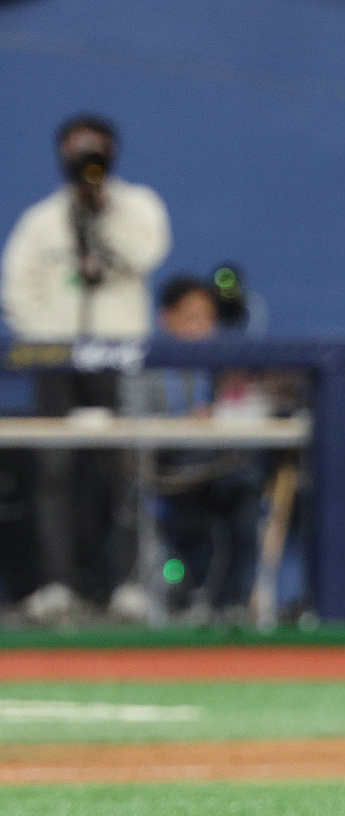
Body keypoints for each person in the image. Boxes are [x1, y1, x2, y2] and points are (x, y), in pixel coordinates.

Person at [0, 115, 171, 622]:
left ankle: (127, 584)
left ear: (114, 151)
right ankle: (56, 584)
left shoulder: (136, 205)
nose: (87, 157)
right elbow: (15, 289)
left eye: (96, 148)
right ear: (61, 154)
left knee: (121, 472)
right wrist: (47, 338)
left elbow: (148, 252)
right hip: (56, 361)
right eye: (77, 148)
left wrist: (103, 212)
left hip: (120, 359)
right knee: (53, 472)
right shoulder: (42, 221)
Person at [125, 277, 265, 618]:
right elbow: (132, 418)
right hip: (172, 471)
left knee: (246, 506)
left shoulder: (226, 364)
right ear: (166, 319)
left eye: (207, 317)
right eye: (190, 317)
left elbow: (254, 406)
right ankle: (187, 596)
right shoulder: (146, 365)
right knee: (191, 524)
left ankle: (232, 604)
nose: (201, 327)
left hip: (221, 466)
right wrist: (180, 423)